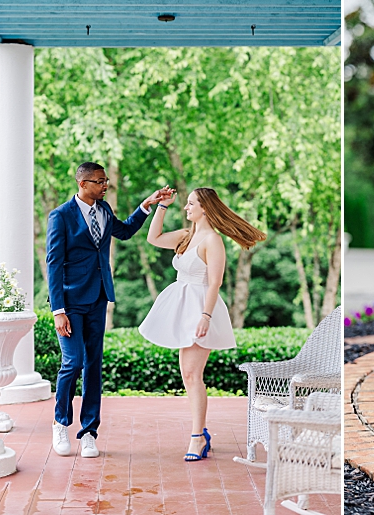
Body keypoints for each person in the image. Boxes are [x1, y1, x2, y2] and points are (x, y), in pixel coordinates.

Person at [47, 162, 172, 458]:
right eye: (100, 181)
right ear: (83, 184)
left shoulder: (103, 210)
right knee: (72, 362)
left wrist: (147, 205)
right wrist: (58, 310)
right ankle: (60, 422)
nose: (105, 186)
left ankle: (89, 432)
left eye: (106, 181)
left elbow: (126, 231)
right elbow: (53, 264)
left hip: (99, 297)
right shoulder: (60, 216)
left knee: (93, 366)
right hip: (70, 301)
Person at [139, 187, 266, 461]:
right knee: (187, 374)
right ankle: (201, 433)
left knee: (193, 375)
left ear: (205, 208)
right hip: (182, 308)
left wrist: (205, 317)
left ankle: (197, 438)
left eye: (190, 203)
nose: (186, 208)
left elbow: (215, 283)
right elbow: (154, 238)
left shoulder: (212, 241)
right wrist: (162, 206)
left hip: (200, 309)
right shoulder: (187, 236)